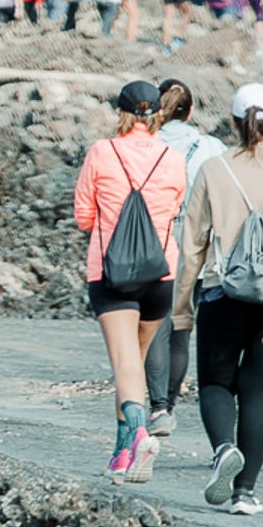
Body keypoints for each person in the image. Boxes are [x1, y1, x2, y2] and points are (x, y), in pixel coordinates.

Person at [175, 83, 263, 520]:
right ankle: (245, 492)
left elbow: (192, 243)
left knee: (214, 383)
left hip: (220, 291)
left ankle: (224, 448)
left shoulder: (213, 169)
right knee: (260, 393)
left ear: (232, 123)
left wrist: (182, 308)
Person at [75, 79, 187, 483]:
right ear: (157, 112)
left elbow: (84, 216)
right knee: (134, 369)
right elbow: (175, 207)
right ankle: (121, 456)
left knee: (124, 367)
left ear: (121, 112)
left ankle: (138, 434)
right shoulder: (173, 157)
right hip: (161, 274)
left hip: (112, 273)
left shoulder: (101, 152)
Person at [147, 80, 227, 439]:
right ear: (190, 111)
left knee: (154, 326)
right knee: (181, 326)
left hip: (153, 240)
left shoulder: (147, 144)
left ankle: (157, 406)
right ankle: (170, 404)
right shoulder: (210, 147)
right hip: (196, 243)